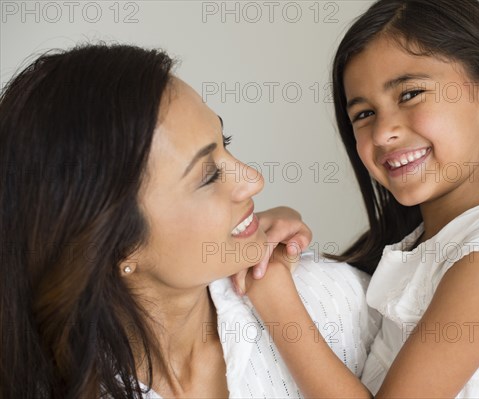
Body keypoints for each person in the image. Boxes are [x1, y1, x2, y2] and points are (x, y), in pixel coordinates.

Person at [0, 44, 380, 398]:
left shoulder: (331, 302)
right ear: (117, 244)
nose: (253, 179)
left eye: (225, 141)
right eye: (209, 176)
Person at [244, 0, 479, 397]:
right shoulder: (427, 243)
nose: (384, 132)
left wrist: (274, 296)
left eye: (410, 94)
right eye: (364, 114)